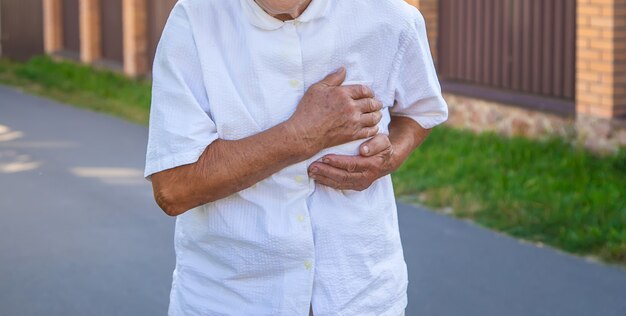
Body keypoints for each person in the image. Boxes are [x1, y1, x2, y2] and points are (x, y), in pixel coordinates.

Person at [144, 0, 448, 315]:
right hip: (231, 299)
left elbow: (420, 111)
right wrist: (302, 133)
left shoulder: (390, 16)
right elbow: (173, 189)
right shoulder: (196, 18)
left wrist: (390, 156)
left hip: (360, 294)